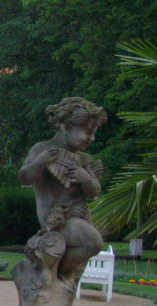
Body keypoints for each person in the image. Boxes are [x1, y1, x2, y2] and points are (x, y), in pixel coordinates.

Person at [18, 97, 107, 280]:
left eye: (94, 133)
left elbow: (93, 192)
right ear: (65, 127)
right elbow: (24, 178)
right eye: (87, 132)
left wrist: (85, 178)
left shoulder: (84, 160)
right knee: (94, 242)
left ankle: (58, 275)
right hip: (56, 220)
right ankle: (56, 273)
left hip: (80, 217)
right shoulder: (42, 149)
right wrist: (41, 161)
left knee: (93, 244)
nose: (92, 138)